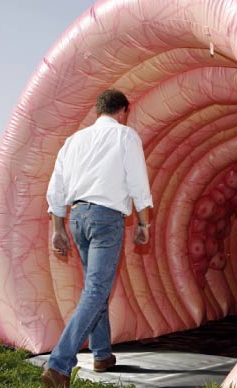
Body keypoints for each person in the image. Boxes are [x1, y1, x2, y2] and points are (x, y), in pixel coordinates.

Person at [40, 89, 155, 387]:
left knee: (96, 286)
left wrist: (58, 229)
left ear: (97, 111)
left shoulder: (73, 141)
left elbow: (57, 188)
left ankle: (102, 354)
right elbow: (137, 182)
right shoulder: (125, 136)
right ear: (124, 111)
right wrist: (144, 222)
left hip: (77, 217)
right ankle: (59, 364)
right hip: (105, 218)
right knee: (96, 290)